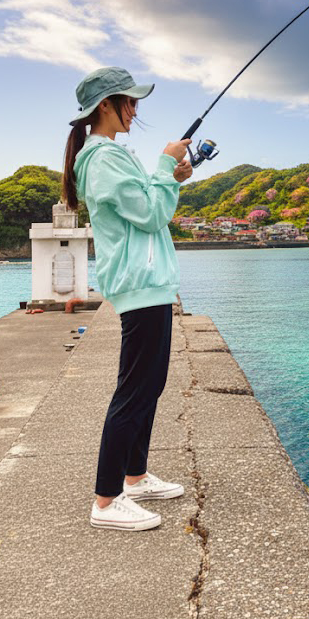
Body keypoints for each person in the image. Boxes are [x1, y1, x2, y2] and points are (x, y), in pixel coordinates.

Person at [61, 66, 193, 531]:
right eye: (129, 102)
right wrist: (164, 166)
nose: (135, 110)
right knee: (135, 390)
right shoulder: (102, 159)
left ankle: (134, 478)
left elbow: (156, 209)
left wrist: (171, 177)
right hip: (139, 284)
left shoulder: (111, 155)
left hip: (147, 283)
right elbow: (152, 215)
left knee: (150, 385)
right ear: (105, 106)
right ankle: (105, 500)